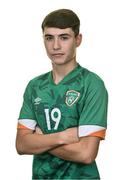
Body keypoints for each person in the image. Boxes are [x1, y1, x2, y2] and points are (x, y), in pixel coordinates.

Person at [16, 9, 108, 179]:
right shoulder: (34, 86)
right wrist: (64, 137)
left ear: (78, 39)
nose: (55, 46)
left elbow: (86, 153)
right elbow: (21, 144)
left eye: (64, 37)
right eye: (49, 38)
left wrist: (40, 140)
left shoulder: (92, 84)